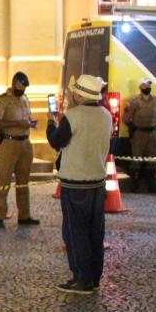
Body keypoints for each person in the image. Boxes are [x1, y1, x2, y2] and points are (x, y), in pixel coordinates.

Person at [46, 74, 112, 295]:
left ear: (80, 94)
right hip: (97, 183)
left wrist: (50, 124)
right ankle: (94, 277)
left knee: (76, 232)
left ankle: (81, 279)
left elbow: (57, 141)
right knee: (95, 232)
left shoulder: (73, 116)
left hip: (75, 184)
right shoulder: (106, 115)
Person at [0, 72, 40, 228]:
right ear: (14, 83)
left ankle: (24, 215)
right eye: (21, 86)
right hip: (9, 143)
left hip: (25, 143)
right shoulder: (2, 100)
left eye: (25, 87)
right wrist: (17, 124)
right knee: (4, 180)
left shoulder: (25, 99)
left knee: (23, 182)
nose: (23, 89)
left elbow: (26, 119)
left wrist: (30, 123)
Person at [123, 77, 156, 194]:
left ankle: (152, 184)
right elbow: (125, 118)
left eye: (149, 85)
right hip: (139, 134)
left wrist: (155, 125)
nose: (148, 88)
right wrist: (132, 126)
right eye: (146, 85)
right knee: (137, 158)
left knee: (153, 159)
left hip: (152, 133)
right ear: (141, 87)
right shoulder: (134, 101)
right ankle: (134, 184)